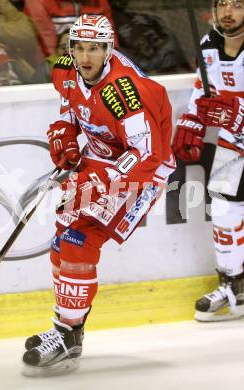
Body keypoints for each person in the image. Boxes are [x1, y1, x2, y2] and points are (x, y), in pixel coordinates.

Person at [21, 14, 176, 376]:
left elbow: (147, 152)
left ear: (109, 49)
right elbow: (70, 104)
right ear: (70, 49)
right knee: (63, 236)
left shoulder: (123, 92)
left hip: (141, 169)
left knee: (79, 237)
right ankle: (66, 328)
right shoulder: (65, 68)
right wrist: (63, 131)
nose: (86, 56)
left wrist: (106, 182)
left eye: (95, 48)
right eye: (79, 47)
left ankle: (67, 335)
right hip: (103, 156)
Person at [172, 0, 244, 322]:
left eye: (238, 5)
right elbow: (203, 93)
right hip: (233, 146)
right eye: (222, 4)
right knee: (225, 211)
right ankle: (233, 286)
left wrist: (237, 113)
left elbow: (231, 108)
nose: (228, 12)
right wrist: (191, 123)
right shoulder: (208, 45)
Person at [24, 0, 115, 57]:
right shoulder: (37, 2)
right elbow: (48, 51)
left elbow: (111, 42)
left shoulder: (100, 2)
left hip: (96, 62)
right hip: (55, 67)